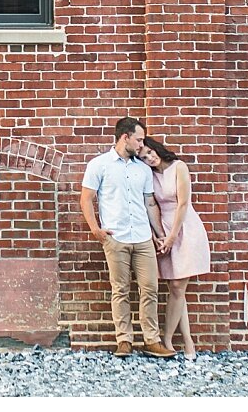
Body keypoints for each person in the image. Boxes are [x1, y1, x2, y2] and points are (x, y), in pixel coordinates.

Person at [79, 117, 176, 359]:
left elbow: (149, 202)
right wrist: (96, 229)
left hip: (142, 237)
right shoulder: (99, 165)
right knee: (120, 290)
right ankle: (124, 340)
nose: (142, 145)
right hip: (116, 237)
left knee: (150, 289)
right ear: (125, 137)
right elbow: (86, 199)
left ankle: (151, 340)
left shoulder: (142, 169)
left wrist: (158, 234)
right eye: (139, 139)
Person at [139, 135, 212, 359]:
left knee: (179, 285)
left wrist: (172, 237)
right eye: (143, 157)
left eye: (150, 153)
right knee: (175, 289)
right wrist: (157, 235)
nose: (149, 158)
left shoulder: (179, 167)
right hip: (164, 230)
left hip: (185, 227)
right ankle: (187, 342)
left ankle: (169, 339)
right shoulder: (149, 176)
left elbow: (183, 203)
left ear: (157, 149)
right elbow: (149, 205)